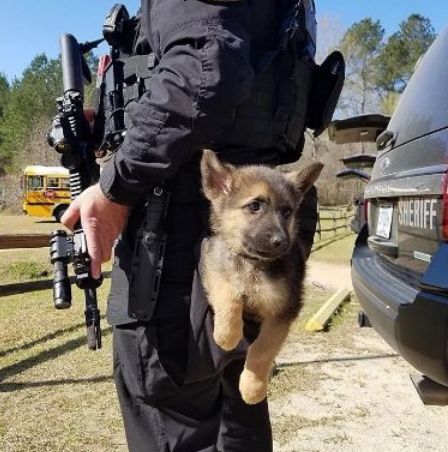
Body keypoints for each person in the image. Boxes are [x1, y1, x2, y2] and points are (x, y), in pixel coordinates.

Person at [61, 0, 327, 450]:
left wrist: (116, 185)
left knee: (172, 412)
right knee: (237, 416)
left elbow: (206, 67)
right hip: (223, 235)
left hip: (182, 242)